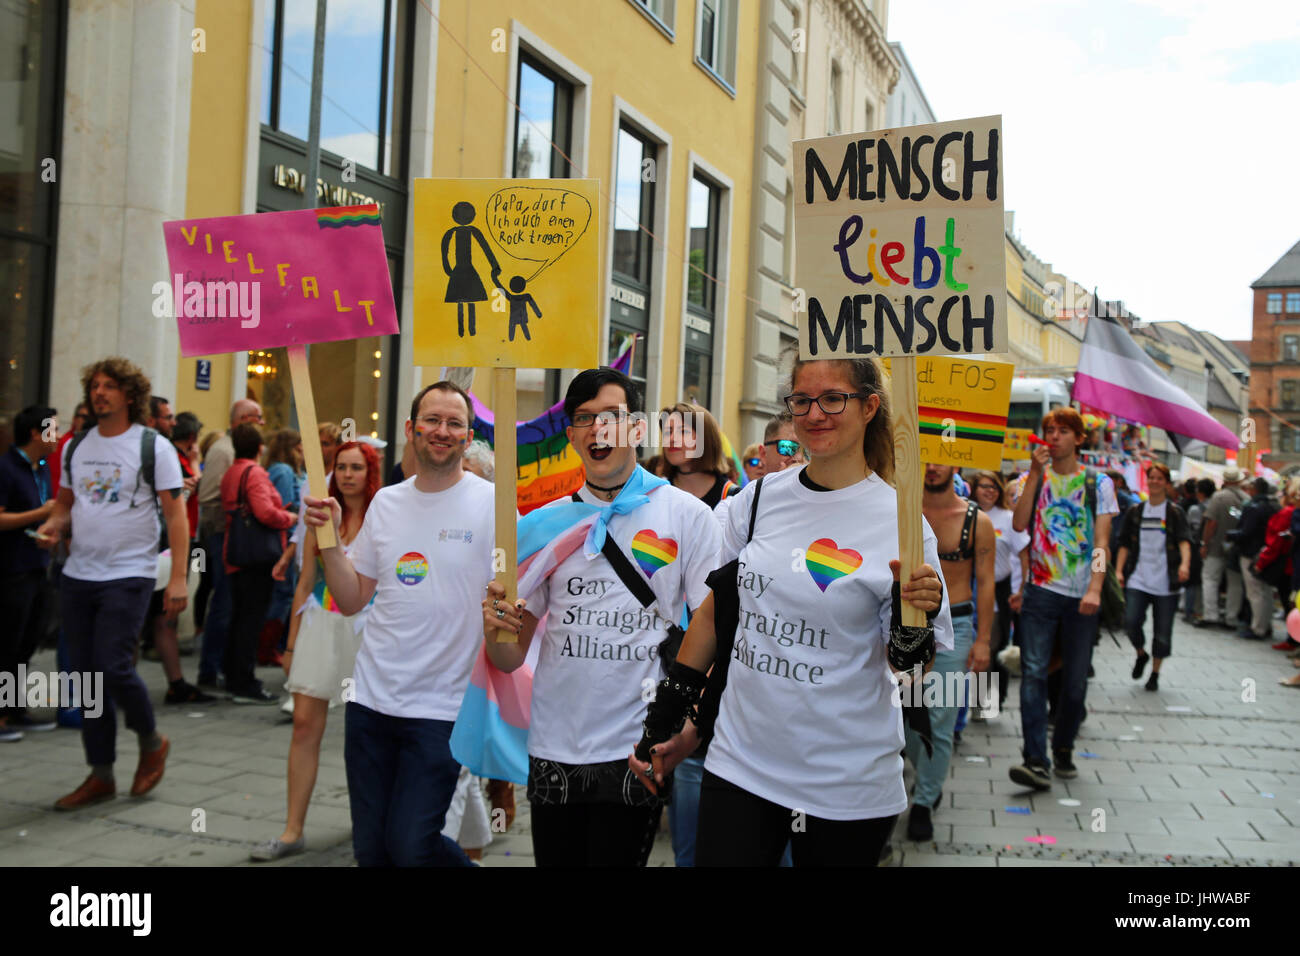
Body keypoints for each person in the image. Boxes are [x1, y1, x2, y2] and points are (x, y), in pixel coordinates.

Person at [619, 356, 950, 867]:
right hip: (740, 764)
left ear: (869, 407)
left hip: (846, 782)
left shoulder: (903, 521)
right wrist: (666, 721)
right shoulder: (755, 501)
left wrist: (914, 623)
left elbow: (910, 673)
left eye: (833, 399)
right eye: (802, 401)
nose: (815, 414)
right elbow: (712, 617)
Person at [481, 367, 722, 867]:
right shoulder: (542, 525)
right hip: (554, 747)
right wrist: (495, 627)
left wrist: (690, 727)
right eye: (584, 419)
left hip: (636, 746)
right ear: (571, 436)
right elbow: (508, 658)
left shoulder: (688, 516)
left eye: (610, 417)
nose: (597, 430)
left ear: (637, 428)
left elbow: (712, 629)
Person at [303, 381, 494, 866]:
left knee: (411, 846)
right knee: (372, 851)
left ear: (467, 435)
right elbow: (351, 599)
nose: (442, 431)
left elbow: (518, 604)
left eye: (454, 423)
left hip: (442, 710)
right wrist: (327, 539)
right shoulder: (386, 503)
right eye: (432, 419)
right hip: (370, 702)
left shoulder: (494, 507)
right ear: (411, 429)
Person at [36, 357, 188, 809]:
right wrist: (54, 527)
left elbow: (177, 514)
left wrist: (178, 577)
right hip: (78, 575)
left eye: (110, 386)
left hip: (130, 574)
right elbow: (64, 504)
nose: (100, 393)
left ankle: (150, 739)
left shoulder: (152, 447)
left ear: (129, 395)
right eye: (95, 386)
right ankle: (100, 773)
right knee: (86, 678)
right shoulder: (75, 446)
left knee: (113, 666)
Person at [251, 441, 381, 861]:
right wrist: (289, 643)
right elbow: (304, 582)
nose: (346, 474)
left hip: (369, 630)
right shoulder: (321, 519)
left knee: (367, 732)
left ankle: (369, 826)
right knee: (304, 724)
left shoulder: (386, 515)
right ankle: (293, 830)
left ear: (370, 472)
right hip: (320, 624)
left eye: (356, 467)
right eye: (341, 466)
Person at [1009, 407, 1118, 789]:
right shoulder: (1031, 478)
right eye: (1049, 431)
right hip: (1040, 591)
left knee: (1074, 684)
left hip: (1080, 597)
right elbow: (1020, 524)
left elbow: (1102, 543)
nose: (1053, 437)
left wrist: (1095, 589)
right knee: (1034, 675)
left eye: (1062, 431)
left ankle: (1064, 745)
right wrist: (1035, 475)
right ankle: (1035, 758)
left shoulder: (1098, 483)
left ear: (1079, 438)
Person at [655, 401, 739, 866]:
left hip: (712, 637)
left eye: (683, 432)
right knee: (674, 747)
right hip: (659, 641)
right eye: (666, 432)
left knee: (699, 747)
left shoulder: (733, 497)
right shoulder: (651, 493)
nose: (673, 440)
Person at [905, 463, 993, 840]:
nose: (933, 466)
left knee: (939, 718)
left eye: (940, 458)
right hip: (907, 624)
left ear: (955, 464)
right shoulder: (902, 510)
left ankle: (925, 798)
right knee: (906, 717)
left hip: (955, 627)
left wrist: (983, 640)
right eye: (926, 458)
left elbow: (986, 582)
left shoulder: (977, 520)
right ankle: (922, 776)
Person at [220, 423, 296, 704]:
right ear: (259, 447)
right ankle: (244, 681)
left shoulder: (232, 472)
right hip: (256, 554)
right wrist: (288, 518)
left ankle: (232, 674)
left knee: (239, 615)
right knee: (251, 618)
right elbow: (265, 512)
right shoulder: (254, 473)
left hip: (236, 550)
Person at [196, 398, 265, 690]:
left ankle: (224, 666)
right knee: (223, 604)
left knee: (234, 605)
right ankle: (210, 670)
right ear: (245, 419)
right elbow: (208, 496)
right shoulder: (223, 450)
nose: (262, 423)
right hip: (224, 536)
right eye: (258, 418)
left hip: (236, 537)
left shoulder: (240, 450)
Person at [0, 405, 59, 741]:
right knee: (6, 643)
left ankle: (13, 708)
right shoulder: (7, 468)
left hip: (36, 566)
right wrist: (39, 512)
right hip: (11, 568)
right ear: (35, 433)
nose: (58, 436)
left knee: (26, 642)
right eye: (52, 429)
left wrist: (48, 531)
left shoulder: (41, 469)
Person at [149, 412, 211, 704]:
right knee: (162, 616)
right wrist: (197, 461)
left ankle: (176, 682)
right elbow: (192, 486)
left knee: (164, 617)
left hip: (177, 542)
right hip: (167, 545)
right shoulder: (172, 456)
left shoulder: (168, 453)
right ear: (192, 438)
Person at [1114, 462, 1192, 692]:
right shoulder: (1136, 512)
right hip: (1138, 577)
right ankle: (1141, 653)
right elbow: (1125, 543)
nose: (1155, 482)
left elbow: (1184, 541)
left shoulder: (1175, 513)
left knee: (1163, 632)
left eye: (1160, 478)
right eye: (1152, 478)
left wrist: (1185, 565)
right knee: (1130, 621)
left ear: (1167, 484)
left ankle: (1155, 674)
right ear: (1146, 481)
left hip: (1167, 581)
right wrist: (1118, 571)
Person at [971, 470, 1028, 710]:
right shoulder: (964, 514)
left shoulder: (1008, 518)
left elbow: (1025, 556)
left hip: (997, 592)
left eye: (994, 487)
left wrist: (1022, 589)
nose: (990, 491)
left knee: (991, 647)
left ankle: (986, 702)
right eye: (985, 486)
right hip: (965, 591)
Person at [262, 429, 305, 667]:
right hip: (285, 539)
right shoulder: (283, 470)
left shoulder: (287, 470)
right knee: (283, 594)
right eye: (299, 447)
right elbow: (287, 505)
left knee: (285, 594)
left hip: (289, 538)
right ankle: (268, 648)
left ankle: (272, 646)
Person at [1197, 468, 1248, 631]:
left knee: (1210, 579)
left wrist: (1205, 543)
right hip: (1238, 547)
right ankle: (1231, 617)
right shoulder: (1246, 498)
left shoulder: (1219, 497)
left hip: (1217, 546)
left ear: (1225, 481)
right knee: (1235, 583)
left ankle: (1211, 615)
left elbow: (1211, 523)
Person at [1252, 477, 1299, 650]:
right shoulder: (1290, 512)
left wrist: (1262, 562)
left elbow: (1276, 542)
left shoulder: (1290, 513)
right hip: (1290, 563)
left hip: (1288, 564)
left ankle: (1293, 640)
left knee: (1290, 602)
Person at [1233, 477, 1280, 641]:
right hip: (1265, 552)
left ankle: (1258, 627)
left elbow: (1246, 531)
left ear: (1254, 490)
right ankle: (1265, 625)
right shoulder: (1272, 506)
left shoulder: (1254, 507)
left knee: (1255, 592)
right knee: (1264, 591)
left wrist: (1235, 538)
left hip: (1251, 553)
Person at [1181, 478, 1212, 624]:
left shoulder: (1195, 509)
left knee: (1192, 582)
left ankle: (1189, 611)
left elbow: (1188, 530)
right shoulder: (1213, 505)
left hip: (1195, 548)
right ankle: (1198, 610)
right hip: (1210, 548)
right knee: (1202, 581)